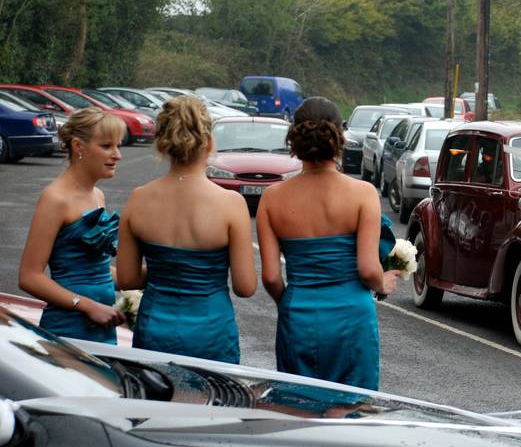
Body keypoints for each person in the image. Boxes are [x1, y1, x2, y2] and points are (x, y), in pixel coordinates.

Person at [257, 96, 400, 390]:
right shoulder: (363, 193)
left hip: (298, 315)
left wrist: (289, 303)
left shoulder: (272, 198)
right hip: (352, 316)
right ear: (340, 137)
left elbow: (271, 277)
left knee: (297, 405)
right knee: (353, 408)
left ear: (294, 138)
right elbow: (367, 269)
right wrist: (382, 283)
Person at [116, 96, 256, 363]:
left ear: (164, 145)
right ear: (209, 143)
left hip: (155, 329)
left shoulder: (139, 199)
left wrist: (167, 270)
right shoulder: (231, 204)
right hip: (211, 331)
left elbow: (127, 280)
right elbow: (245, 286)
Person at [19, 107, 126, 344]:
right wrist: (87, 305)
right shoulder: (55, 199)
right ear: (78, 147)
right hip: (69, 329)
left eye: (118, 145)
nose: (117, 154)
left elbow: (93, 269)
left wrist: (148, 276)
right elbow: (29, 276)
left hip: (103, 325)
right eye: (107, 146)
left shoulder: (97, 194)